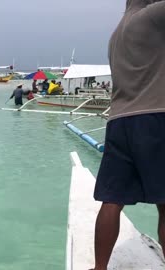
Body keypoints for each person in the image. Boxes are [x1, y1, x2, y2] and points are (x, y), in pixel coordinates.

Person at [92, 1, 165, 270]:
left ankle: (100, 268)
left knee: (112, 200)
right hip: (156, 117)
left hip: (119, 121)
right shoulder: (155, 15)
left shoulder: (116, 34)